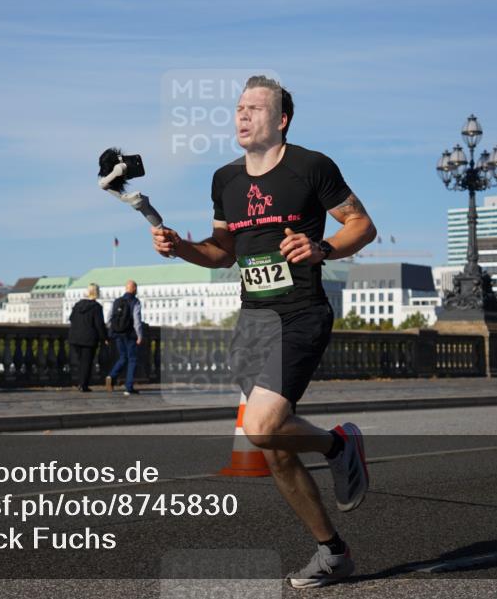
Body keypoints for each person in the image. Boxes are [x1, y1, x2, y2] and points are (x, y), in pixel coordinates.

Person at [151, 76, 378, 588]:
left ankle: (340, 447)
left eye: (256, 108)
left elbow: (361, 224)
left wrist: (324, 249)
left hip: (300, 313)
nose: (243, 115)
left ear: (282, 120)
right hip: (252, 320)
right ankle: (332, 552)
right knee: (274, 447)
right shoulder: (225, 179)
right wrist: (180, 247)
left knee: (260, 426)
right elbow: (221, 252)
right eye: (238, 108)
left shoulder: (311, 166)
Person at [68, 283, 108, 392]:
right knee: (87, 362)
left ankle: (80, 383)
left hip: (75, 338)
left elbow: (71, 319)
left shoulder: (77, 305)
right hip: (89, 339)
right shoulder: (96, 307)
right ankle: (83, 384)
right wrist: (104, 338)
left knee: (80, 362)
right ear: (97, 292)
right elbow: (99, 325)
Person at [107, 280, 143, 396]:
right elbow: (137, 321)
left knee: (123, 357)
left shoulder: (117, 301)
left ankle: (111, 376)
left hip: (118, 334)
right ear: (134, 289)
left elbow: (109, 317)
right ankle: (128, 387)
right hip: (130, 335)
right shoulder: (135, 302)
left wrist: (111, 330)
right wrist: (139, 335)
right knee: (132, 359)